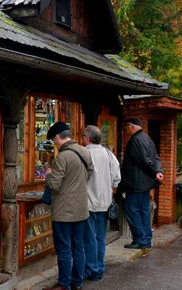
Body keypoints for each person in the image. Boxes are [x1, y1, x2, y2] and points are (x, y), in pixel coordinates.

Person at [44, 122, 94, 290]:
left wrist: (48, 175)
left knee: (64, 248)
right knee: (78, 246)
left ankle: (64, 284)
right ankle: (77, 282)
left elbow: (55, 185)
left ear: (58, 137)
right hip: (81, 208)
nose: (54, 143)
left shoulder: (62, 157)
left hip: (63, 211)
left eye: (53, 140)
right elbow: (90, 173)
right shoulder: (84, 151)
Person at [81, 125, 121, 281]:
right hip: (105, 202)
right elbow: (116, 178)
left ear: (87, 138)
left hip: (88, 202)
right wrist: (109, 187)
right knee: (99, 237)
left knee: (88, 238)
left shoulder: (84, 154)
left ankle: (91, 268)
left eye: (83, 136)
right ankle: (98, 267)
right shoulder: (108, 154)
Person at [120, 117, 164, 249]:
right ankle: (146, 239)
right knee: (144, 211)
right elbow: (156, 158)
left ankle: (140, 239)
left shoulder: (135, 141)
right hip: (145, 184)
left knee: (132, 211)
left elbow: (144, 161)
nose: (125, 130)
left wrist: (155, 173)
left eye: (126, 126)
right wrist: (158, 171)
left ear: (131, 126)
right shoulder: (147, 138)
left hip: (136, 183)